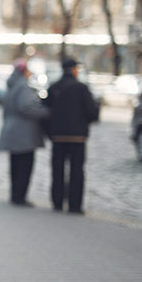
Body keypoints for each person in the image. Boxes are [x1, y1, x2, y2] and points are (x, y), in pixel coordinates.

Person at [44, 57, 99, 214]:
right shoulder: (81, 88)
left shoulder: (54, 87)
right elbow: (92, 112)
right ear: (74, 69)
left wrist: (51, 132)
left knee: (57, 170)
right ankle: (75, 205)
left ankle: (57, 202)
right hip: (78, 137)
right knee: (77, 171)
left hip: (58, 137)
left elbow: (46, 113)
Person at [0, 59, 49, 207]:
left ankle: (15, 194)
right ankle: (20, 196)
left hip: (11, 130)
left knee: (15, 165)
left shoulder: (11, 86)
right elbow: (25, 107)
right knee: (25, 166)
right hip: (24, 134)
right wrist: (45, 112)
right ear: (23, 71)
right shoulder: (24, 87)